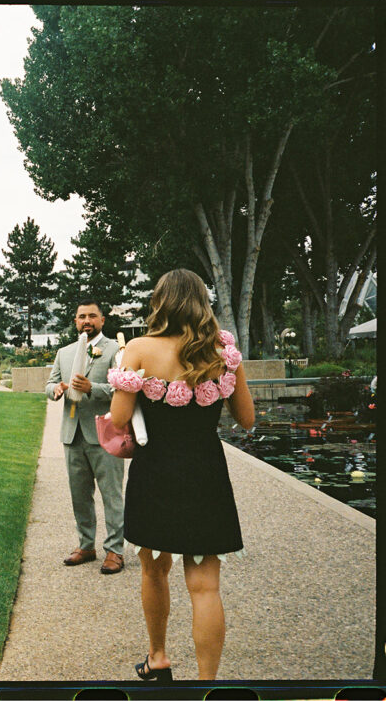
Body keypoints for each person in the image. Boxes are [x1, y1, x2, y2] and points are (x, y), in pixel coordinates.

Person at [108, 269, 253, 681]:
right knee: (205, 586)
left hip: (155, 474)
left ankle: (158, 658)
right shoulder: (225, 353)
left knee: (154, 568)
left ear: (160, 303)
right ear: (203, 303)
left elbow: (119, 419)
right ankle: (207, 684)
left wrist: (127, 381)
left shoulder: (138, 348)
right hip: (207, 473)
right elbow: (247, 419)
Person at [44, 299, 124, 574]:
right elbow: (50, 382)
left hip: (105, 433)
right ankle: (86, 545)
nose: (86, 320)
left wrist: (93, 388)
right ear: (75, 321)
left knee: (111, 494)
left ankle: (115, 550)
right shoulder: (64, 353)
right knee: (79, 495)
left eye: (92, 316)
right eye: (81, 316)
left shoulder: (117, 349)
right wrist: (55, 390)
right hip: (72, 432)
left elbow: (122, 387)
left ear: (102, 320)